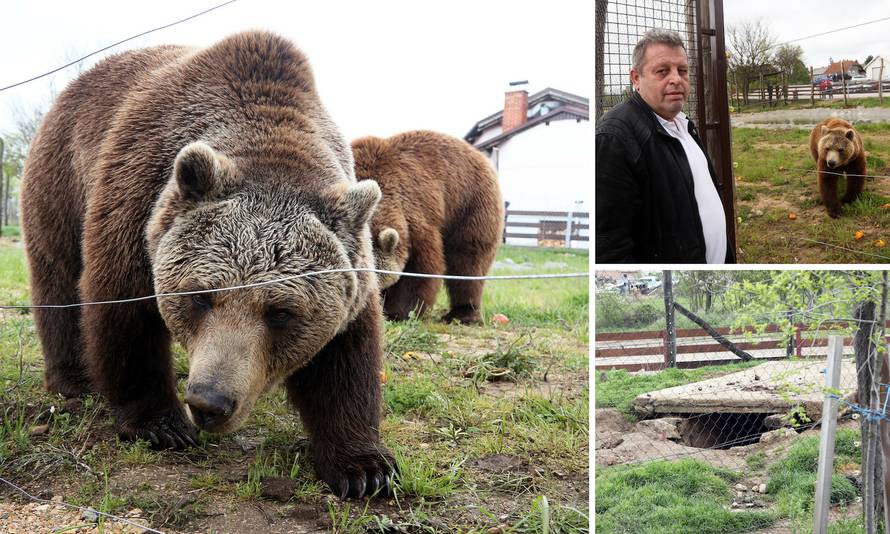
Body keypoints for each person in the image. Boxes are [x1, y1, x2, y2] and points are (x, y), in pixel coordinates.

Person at [596, 28, 733, 263]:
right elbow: (609, 244)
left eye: (682, 71)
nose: (676, 79)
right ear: (636, 78)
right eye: (662, 71)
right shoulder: (616, 137)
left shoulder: (683, 125)